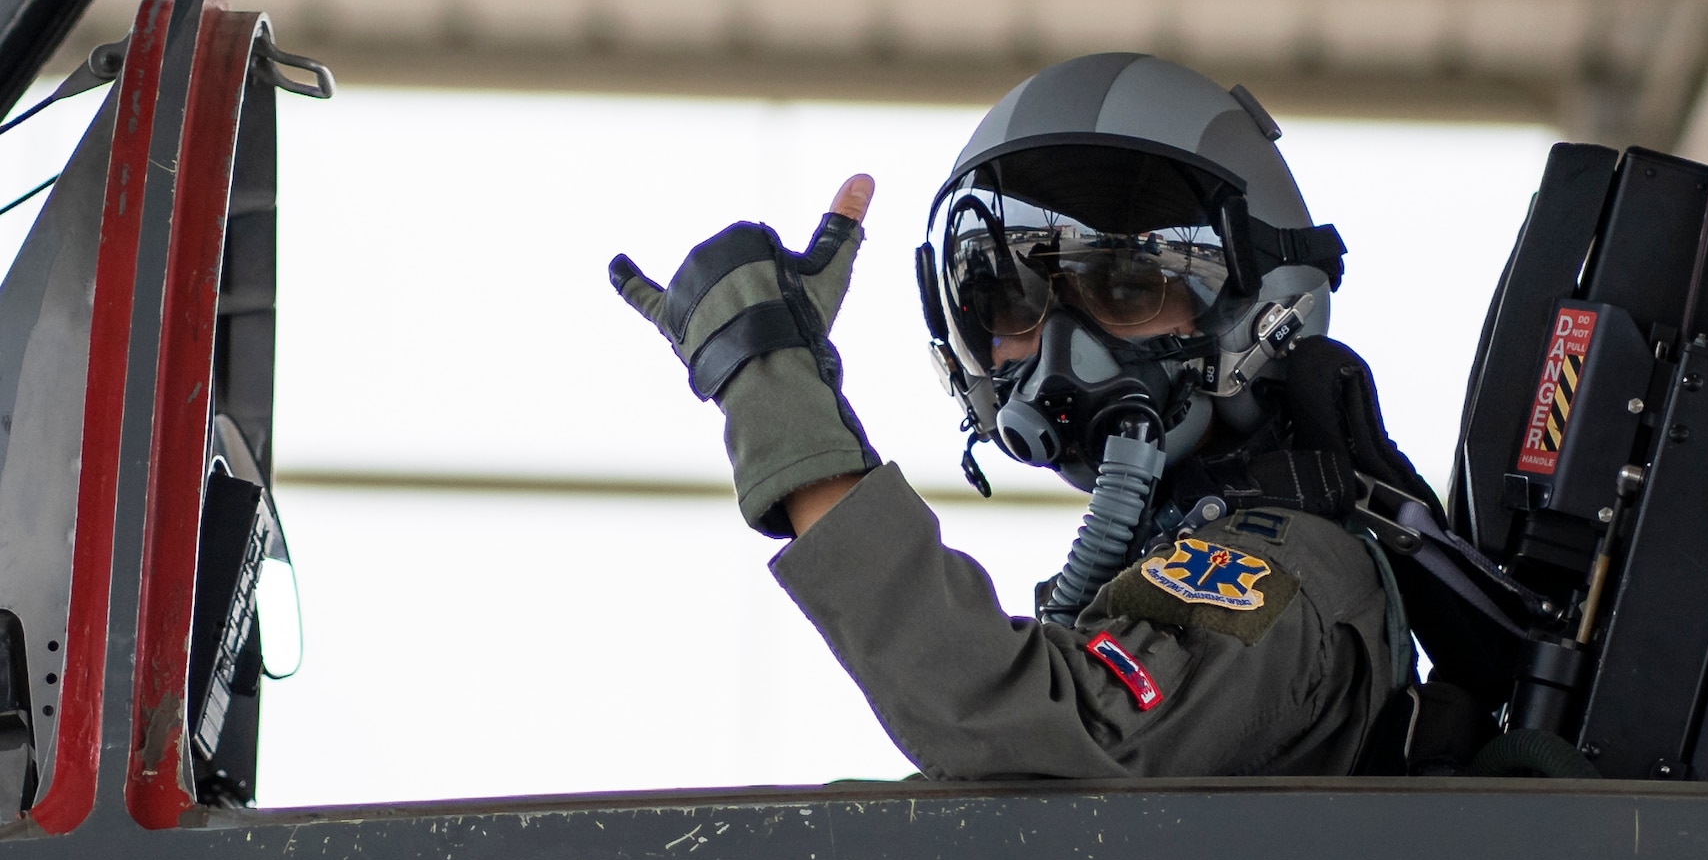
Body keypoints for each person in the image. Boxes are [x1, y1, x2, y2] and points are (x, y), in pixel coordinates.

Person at [609, 53, 1457, 779]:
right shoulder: (1177, 557)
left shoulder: (1288, 572)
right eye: (1006, 298)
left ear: (1260, 306)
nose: (1057, 345)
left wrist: (771, 386)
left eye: (1129, 287)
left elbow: (1029, 735)